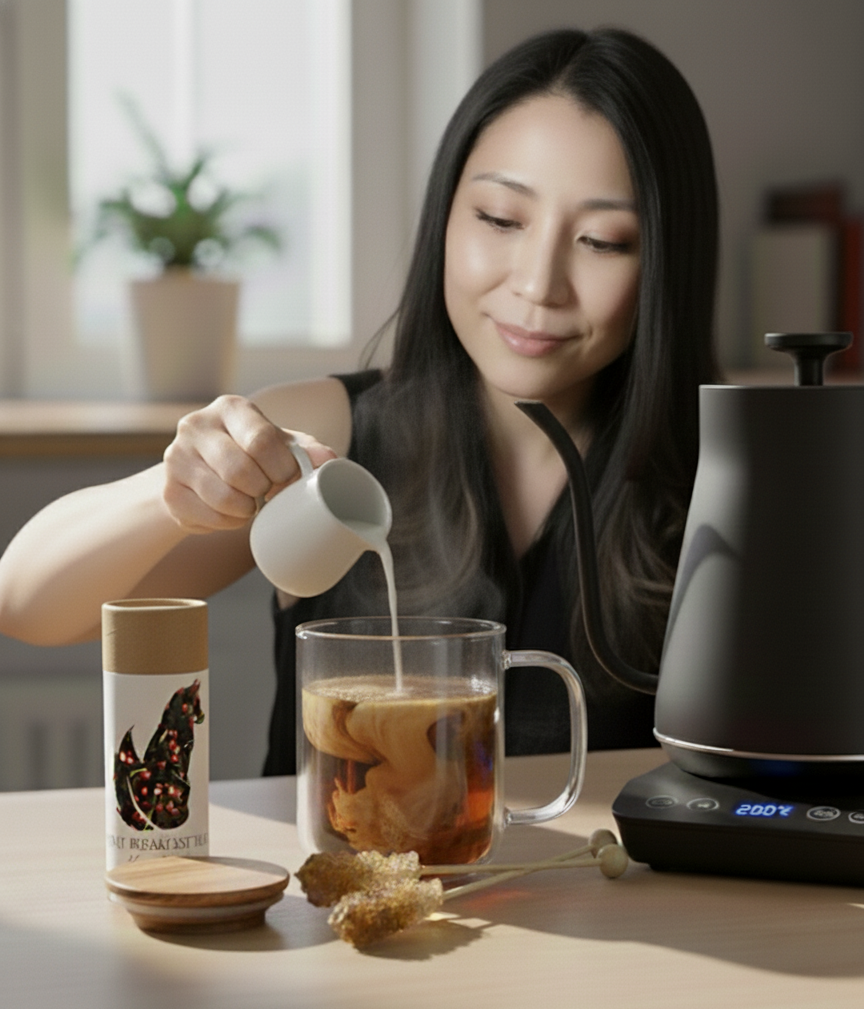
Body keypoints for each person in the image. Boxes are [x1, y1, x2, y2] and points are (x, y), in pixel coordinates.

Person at [0, 27, 719, 774]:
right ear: (444, 216)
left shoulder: (722, 482)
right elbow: (26, 603)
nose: (538, 284)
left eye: (602, 241)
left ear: (668, 259)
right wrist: (170, 492)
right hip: (333, 887)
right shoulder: (327, 435)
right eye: (501, 220)